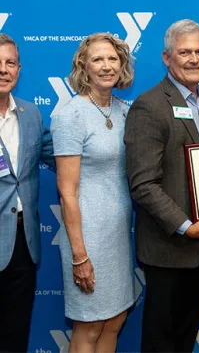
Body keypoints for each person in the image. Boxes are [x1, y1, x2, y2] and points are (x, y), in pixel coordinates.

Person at [124, 19, 199, 353]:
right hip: (169, 245)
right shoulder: (150, 105)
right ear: (166, 58)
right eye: (184, 52)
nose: (194, 59)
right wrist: (187, 227)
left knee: (186, 333)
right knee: (161, 339)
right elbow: (143, 184)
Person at [50, 33, 135, 353]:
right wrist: (79, 255)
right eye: (98, 59)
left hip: (117, 235)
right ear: (83, 66)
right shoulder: (71, 114)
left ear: (122, 64)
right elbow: (66, 192)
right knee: (90, 325)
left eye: (113, 58)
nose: (106, 65)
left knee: (114, 320)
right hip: (87, 238)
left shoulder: (125, 111)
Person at [0, 33, 55, 353]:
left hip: (23, 242)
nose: (4, 70)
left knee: (16, 331)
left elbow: (58, 157)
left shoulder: (31, 114)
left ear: (19, 69)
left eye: (10, 63)